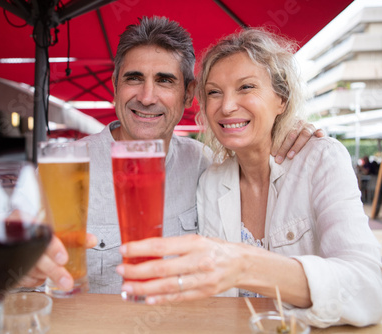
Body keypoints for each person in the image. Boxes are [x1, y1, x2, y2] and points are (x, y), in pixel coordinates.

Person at [115, 29, 382, 327]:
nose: (226, 106)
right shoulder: (211, 179)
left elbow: (371, 289)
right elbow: (221, 303)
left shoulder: (320, 159)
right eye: (214, 92)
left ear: (282, 100)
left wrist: (245, 265)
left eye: (246, 87)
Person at [22, 17, 322, 294]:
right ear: (115, 89)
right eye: (134, 79)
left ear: (188, 93)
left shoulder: (204, 163)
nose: (147, 96)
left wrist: (285, 132)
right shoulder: (64, 167)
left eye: (164, 80)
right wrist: (17, 269)